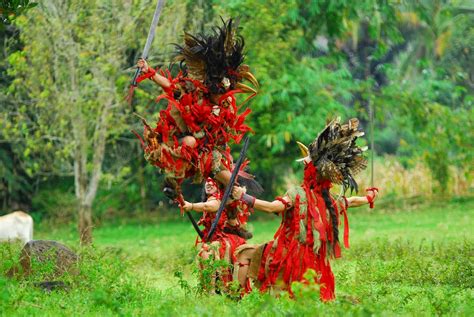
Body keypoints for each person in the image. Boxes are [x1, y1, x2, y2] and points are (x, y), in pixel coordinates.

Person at [134, 18, 260, 238]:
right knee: (197, 147)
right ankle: (173, 182)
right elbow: (171, 86)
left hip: (215, 151)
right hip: (191, 145)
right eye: (219, 93)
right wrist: (149, 71)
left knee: (232, 183)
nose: (222, 97)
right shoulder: (195, 94)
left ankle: (232, 222)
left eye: (224, 94)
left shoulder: (227, 104)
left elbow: (229, 132)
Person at [231, 118, 379, 301]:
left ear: (311, 170)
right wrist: (369, 198)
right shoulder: (330, 199)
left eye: (306, 163)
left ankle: (235, 299)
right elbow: (352, 201)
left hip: (288, 252)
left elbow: (271, 208)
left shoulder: (297, 193)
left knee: (243, 253)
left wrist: (243, 197)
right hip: (316, 259)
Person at [181, 177, 248, 290]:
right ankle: (210, 289)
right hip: (214, 239)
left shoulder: (218, 199)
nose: (208, 183)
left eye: (213, 182)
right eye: (207, 181)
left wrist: (191, 206)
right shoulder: (213, 199)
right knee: (205, 253)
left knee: (207, 252)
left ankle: (218, 288)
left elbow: (211, 206)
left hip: (226, 239)